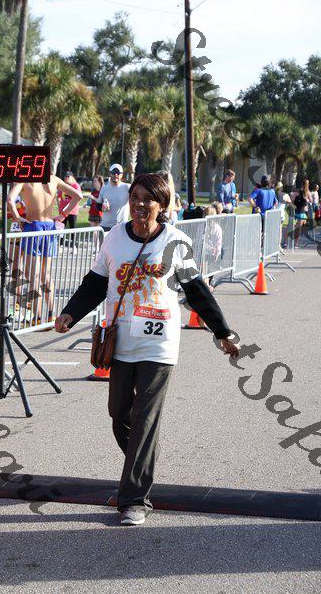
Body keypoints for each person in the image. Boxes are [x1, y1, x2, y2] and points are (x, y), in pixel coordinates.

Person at [55, 173, 240, 526]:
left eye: (147, 199)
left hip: (159, 344)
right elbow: (96, 282)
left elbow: (196, 290)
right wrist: (70, 312)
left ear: (162, 205)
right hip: (120, 342)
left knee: (144, 419)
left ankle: (134, 499)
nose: (139, 204)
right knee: (118, 414)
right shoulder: (114, 237)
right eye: (135, 197)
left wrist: (222, 331)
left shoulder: (175, 242)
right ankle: (142, 461)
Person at [8, 174, 83, 323]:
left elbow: (10, 200)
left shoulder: (26, 179)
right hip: (49, 227)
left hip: (33, 226)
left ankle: (37, 317)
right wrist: (63, 215)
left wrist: (18, 218)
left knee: (34, 276)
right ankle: (50, 314)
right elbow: (78, 196)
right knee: (45, 275)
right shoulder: (53, 179)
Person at [96, 164, 130, 231]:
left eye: (118, 173)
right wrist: (102, 208)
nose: (116, 175)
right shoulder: (104, 188)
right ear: (110, 174)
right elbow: (98, 205)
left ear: (122, 175)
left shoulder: (127, 187)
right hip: (106, 226)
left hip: (122, 226)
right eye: (113, 173)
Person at [57, 171, 82, 248]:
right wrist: (59, 206)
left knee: (72, 228)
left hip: (72, 211)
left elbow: (78, 197)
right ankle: (60, 244)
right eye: (65, 176)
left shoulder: (75, 185)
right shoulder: (63, 186)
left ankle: (73, 246)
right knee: (61, 228)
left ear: (72, 177)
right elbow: (59, 196)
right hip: (63, 211)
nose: (66, 178)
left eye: (68, 177)